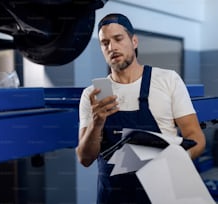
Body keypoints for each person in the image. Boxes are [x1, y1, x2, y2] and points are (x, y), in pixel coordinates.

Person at [75, 13, 206, 204]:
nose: (112, 47)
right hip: (113, 197)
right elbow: (85, 159)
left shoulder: (167, 80)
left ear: (134, 41)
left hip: (162, 194)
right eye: (105, 43)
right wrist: (97, 123)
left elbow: (196, 137)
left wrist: (175, 163)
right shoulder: (94, 94)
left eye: (118, 39)